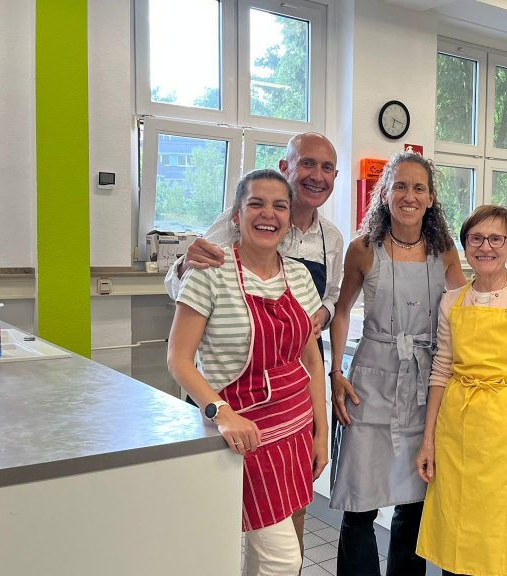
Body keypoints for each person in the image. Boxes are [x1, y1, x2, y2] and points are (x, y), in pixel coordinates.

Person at [165, 131, 343, 540]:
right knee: (223, 528)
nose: (317, 176)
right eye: (307, 163)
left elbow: (330, 295)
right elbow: (188, 285)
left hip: (294, 390)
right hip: (233, 400)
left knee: (287, 527)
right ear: (286, 166)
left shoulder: (330, 239)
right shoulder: (237, 224)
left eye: (327, 167)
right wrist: (185, 267)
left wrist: (321, 313)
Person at [328, 151, 465, 576]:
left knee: (414, 503)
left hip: (424, 385)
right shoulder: (363, 249)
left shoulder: (444, 251)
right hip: (369, 382)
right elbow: (341, 311)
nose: (409, 195)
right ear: (385, 194)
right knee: (359, 503)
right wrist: (336, 372)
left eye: (419, 188)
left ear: (431, 198)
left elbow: (469, 307)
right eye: (400, 186)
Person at [416, 205, 507, 576]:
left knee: (503, 532)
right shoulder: (452, 300)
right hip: (458, 431)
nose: (486, 247)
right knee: (456, 528)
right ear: (465, 246)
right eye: (476, 238)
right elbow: (441, 370)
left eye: (496, 239)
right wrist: (428, 440)